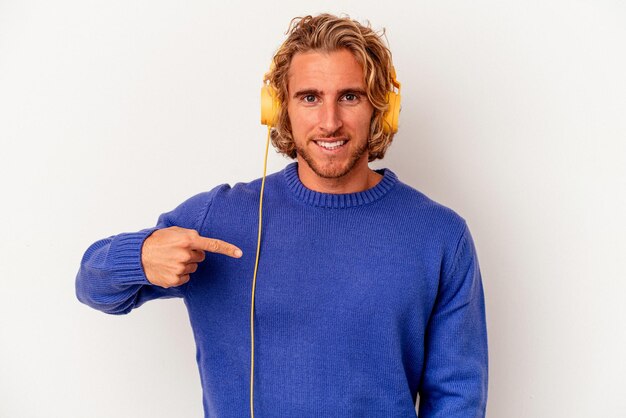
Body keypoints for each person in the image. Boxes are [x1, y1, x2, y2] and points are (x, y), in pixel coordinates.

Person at [76, 13, 488, 418]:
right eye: (310, 97)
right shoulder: (222, 218)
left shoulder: (439, 235)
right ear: (278, 108)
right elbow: (92, 285)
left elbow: (457, 396)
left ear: (383, 107)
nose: (330, 122)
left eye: (350, 96)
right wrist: (143, 255)